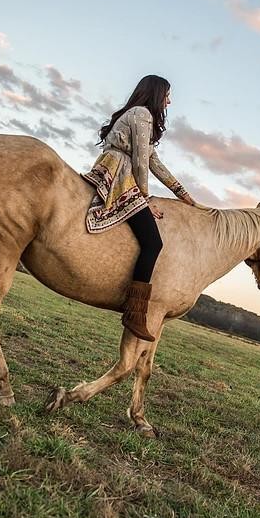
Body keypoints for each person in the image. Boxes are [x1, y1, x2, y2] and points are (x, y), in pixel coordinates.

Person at [81, 75, 196, 342]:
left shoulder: (139, 116)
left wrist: (183, 194)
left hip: (119, 168)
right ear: (155, 94)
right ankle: (135, 312)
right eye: (167, 94)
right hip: (119, 173)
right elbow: (141, 163)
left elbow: (155, 162)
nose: (169, 100)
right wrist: (144, 198)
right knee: (153, 242)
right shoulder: (142, 114)